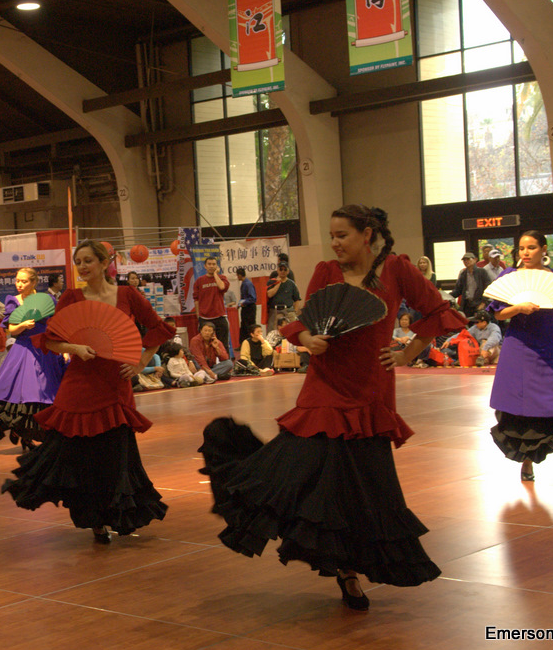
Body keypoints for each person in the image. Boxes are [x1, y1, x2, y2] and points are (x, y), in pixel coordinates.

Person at [199, 204, 466, 611]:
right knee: (309, 473)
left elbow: (439, 311)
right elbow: (306, 318)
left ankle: (349, 568)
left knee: (362, 484)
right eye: (332, 236)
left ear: (367, 234)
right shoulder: (326, 271)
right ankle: (343, 569)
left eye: (342, 235)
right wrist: (308, 339)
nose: (335, 243)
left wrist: (408, 353)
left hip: (370, 389)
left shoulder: (397, 269)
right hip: (324, 385)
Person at [3, 240, 174, 544]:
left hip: (115, 383)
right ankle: (93, 519)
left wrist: (140, 362)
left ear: (104, 263)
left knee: (115, 454)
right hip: (79, 383)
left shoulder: (127, 294)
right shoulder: (71, 297)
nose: (82, 267)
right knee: (77, 453)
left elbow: (159, 329)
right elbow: (50, 340)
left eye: (87, 261)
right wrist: (75, 348)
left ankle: (114, 513)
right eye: (78, 262)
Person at [487, 230, 553, 482]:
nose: (525, 253)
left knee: (549, 400)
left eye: (531, 247)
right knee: (514, 401)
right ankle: (525, 462)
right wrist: (519, 308)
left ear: (543, 249)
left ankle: (531, 459)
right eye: (521, 248)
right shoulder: (509, 276)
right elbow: (498, 314)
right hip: (516, 345)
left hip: (546, 346)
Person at [0, 268, 66, 451]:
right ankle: (23, 433)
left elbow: (56, 325)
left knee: (46, 391)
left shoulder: (47, 300)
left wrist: (63, 347)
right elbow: (11, 329)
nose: (19, 284)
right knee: (25, 394)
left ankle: (44, 435)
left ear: (34, 282)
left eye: (24, 281)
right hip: (24, 349)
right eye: (17, 280)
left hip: (45, 348)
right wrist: (23, 324)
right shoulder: (13, 301)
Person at [193, 257, 231, 352]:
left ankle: (225, 361)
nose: (211, 266)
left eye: (214, 264)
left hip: (220, 316)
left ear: (217, 266)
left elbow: (222, 287)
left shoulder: (222, 278)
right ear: (205, 266)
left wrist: (215, 274)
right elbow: (196, 299)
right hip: (205, 317)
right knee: (204, 345)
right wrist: (198, 315)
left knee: (223, 344)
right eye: (209, 264)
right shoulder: (199, 281)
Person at [451, 252, 490, 318]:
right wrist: (447, 297)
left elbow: (488, 287)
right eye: (464, 260)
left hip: (479, 304)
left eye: (468, 259)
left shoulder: (481, 272)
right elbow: (458, 290)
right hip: (467, 305)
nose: (466, 261)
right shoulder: (463, 274)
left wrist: (484, 302)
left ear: (475, 259)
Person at [266, 263, 301, 333]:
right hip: (274, 311)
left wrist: (295, 312)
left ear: (288, 271)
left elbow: (297, 299)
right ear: (277, 270)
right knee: (273, 332)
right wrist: (278, 283)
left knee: (293, 331)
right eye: (281, 269)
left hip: (288, 311)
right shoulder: (271, 282)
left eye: (285, 270)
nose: (283, 271)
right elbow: (269, 294)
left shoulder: (291, 284)